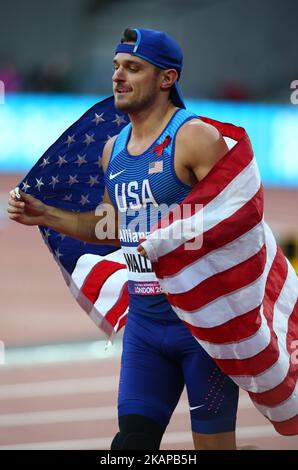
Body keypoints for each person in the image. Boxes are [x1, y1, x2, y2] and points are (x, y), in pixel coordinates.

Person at [7, 27, 240, 450]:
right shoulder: (113, 149)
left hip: (202, 327)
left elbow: (237, 220)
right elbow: (111, 227)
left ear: (167, 79)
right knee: (129, 448)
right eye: (116, 67)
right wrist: (48, 215)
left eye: (133, 68)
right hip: (145, 325)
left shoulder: (194, 138)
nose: (118, 76)